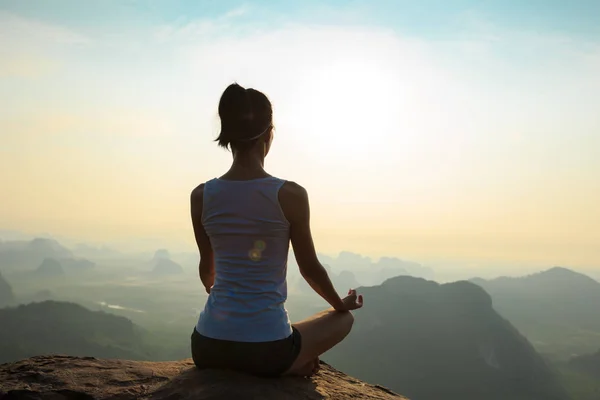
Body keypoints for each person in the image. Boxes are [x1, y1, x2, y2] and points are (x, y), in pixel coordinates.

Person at [189, 83, 364, 378]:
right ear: (269, 134)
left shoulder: (201, 196)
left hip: (206, 346)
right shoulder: (290, 195)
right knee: (343, 320)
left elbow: (208, 273)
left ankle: (290, 360)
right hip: (266, 350)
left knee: (273, 336)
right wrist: (339, 303)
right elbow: (309, 269)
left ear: (228, 138)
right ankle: (293, 363)